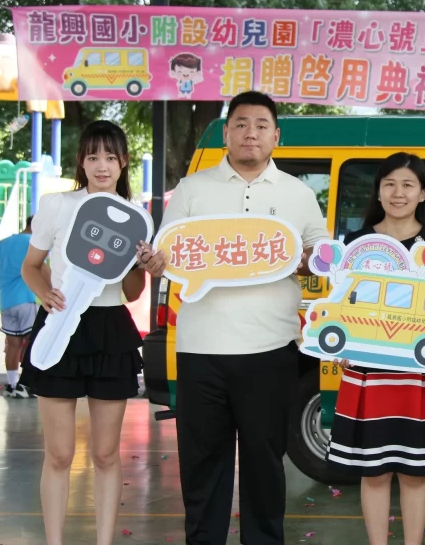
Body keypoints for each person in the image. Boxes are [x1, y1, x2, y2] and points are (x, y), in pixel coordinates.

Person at [150, 91, 329, 545]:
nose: (252, 133)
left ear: (276, 136)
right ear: (227, 132)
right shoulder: (192, 189)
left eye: (262, 125)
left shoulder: (298, 194)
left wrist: (308, 261)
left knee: (264, 465)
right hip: (200, 350)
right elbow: (166, 252)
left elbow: (323, 257)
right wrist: (154, 262)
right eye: (242, 124)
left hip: (270, 350)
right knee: (202, 464)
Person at [19, 120, 166, 545]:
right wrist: (45, 293)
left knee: (105, 453)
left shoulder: (137, 219)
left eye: (110, 157)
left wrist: (143, 265)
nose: (102, 165)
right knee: (59, 454)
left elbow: (132, 291)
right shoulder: (56, 205)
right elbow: (30, 266)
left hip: (110, 331)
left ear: (123, 163)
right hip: (60, 327)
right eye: (93, 156)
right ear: (81, 162)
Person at [326, 152, 425, 545]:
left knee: (414, 470)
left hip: (419, 372)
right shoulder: (357, 242)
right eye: (389, 184)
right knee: (373, 471)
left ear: (422, 193)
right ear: (379, 191)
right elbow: (343, 303)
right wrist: (341, 338)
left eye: (408, 185)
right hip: (367, 370)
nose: (398, 193)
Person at [0, 215, 38, 398]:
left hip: (6, 300)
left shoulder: (5, 242)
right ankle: (27, 384)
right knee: (32, 341)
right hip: (25, 298)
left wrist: (0, 274)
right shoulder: (33, 242)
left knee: (13, 344)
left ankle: (12, 385)